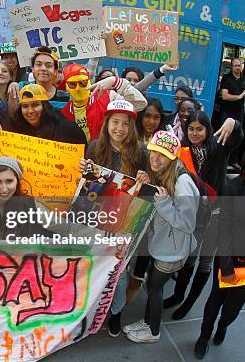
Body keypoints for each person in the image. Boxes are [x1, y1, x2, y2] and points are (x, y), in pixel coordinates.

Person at [163, 110, 242, 320]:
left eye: (200, 129)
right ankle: (178, 295)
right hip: (193, 216)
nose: (195, 133)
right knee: (188, 259)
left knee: (205, 263)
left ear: (208, 129)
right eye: (191, 129)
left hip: (215, 215)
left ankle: (189, 303)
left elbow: (238, 135)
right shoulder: (182, 151)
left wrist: (233, 121)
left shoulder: (219, 149)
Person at [79, 100, 148, 337]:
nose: (120, 128)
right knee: (93, 265)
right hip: (96, 218)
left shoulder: (140, 151)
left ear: (132, 127)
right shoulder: (95, 147)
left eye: (125, 124)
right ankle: (88, 309)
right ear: (107, 123)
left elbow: (148, 189)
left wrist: (145, 177)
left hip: (124, 221)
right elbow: (86, 185)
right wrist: (83, 170)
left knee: (117, 272)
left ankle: (116, 313)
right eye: (115, 122)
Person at [124, 131, 198, 344]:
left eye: (162, 155)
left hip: (173, 250)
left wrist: (164, 203)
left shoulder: (183, 182)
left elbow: (187, 224)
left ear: (173, 157)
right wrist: (147, 182)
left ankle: (153, 331)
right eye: (153, 152)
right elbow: (154, 197)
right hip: (163, 245)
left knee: (154, 288)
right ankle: (148, 321)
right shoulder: (162, 172)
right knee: (153, 286)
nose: (155, 158)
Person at [194, 152, 245, 359]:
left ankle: (223, 326)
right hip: (231, 258)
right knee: (216, 299)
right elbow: (223, 228)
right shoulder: (233, 189)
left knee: (232, 309)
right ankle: (204, 337)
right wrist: (225, 264)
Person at [60, 64, 147, 142]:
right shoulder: (64, 113)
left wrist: (116, 82)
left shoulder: (108, 97)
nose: (78, 88)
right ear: (66, 88)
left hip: (105, 156)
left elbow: (139, 104)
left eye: (83, 83)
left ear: (90, 82)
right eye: (72, 84)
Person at [8, 84, 87, 145]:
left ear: (45, 106)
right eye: (25, 106)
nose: (30, 111)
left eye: (35, 105)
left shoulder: (66, 129)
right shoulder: (15, 128)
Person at [7, 47, 70, 116]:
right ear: (33, 68)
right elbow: (13, 117)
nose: (43, 68)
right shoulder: (21, 88)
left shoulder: (66, 96)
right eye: (38, 64)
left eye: (48, 66)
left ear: (55, 71)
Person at [218, 58, 245, 170]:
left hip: (239, 112)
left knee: (239, 136)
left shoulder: (243, 78)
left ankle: (233, 161)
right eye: (235, 66)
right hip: (227, 112)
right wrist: (238, 97)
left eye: (239, 65)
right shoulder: (226, 78)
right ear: (232, 66)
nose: (237, 68)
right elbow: (224, 96)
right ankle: (221, 161)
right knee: (225, 136)